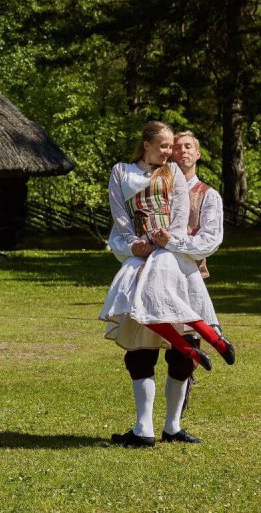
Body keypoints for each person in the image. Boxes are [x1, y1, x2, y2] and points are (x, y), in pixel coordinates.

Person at [100, 121, 234, 447]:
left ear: (198, 154)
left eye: (186, 146)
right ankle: (143, 427)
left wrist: (170, 243)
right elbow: (121, 225)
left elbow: (207, 242)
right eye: (175, 146)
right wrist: (135, 245)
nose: (178, 151)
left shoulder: (206, 195)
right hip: (144, 267)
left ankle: (172, 426)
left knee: (181, 357)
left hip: (186, 276)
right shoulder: (138, 175)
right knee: (141, 350)